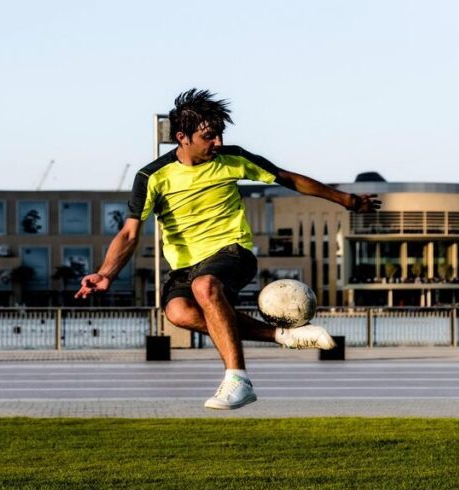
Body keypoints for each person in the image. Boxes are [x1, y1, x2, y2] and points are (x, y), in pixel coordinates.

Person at [75, 89, 380, 410]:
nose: (218, 143)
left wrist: (347, 200)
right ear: (182, 137)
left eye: (220, 134)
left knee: (205, 286)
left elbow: (288, 178)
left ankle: (238, 380)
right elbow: (129, 233)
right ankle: (283, 336)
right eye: (209, 136)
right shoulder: (153, 176)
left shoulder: (232, 158)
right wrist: (106, 273)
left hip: (233, 252)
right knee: (178, 313)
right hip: (184, 266)